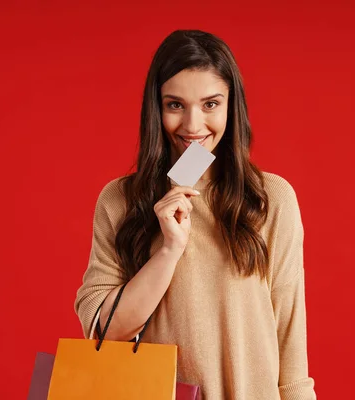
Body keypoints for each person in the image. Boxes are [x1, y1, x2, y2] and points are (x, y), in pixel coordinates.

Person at [74, 29, 316, 400]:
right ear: (156, 109)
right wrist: (168, 249)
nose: (192, 126)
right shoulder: (121, 201)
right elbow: (103, 332)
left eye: (210, 104)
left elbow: (289, 332)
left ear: (231, 106)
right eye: (175, 105)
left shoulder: (270, 199)